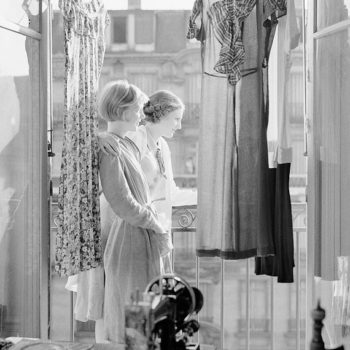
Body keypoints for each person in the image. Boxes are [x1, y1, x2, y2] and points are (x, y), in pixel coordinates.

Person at [67, 80, 171, 344]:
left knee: (135, 309)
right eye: (137, 109)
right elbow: (122, 201)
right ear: (124, 112)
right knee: (123, 309)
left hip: (133, 237)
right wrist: (154, 222)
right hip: (124, 238)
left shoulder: (123, 144)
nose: (141, 115)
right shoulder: (111, 148)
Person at [99, 90, 196, 273]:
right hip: (126, 227)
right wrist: (99, 138)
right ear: (162, 114)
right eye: (176, 119)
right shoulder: (135, 137)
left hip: (153, 229)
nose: (180, 126)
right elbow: (111, 152)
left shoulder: (163, 146)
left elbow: (170, 193)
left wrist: (205, 197)